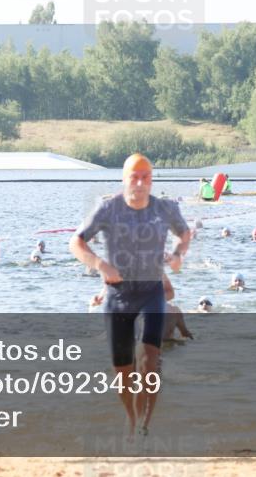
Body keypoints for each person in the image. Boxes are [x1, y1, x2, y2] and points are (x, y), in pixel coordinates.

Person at [70, 153, 193, 438]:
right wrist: (100, 264)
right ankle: (130, 417)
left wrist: (177, 254)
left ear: (151, 179)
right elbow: (75, 242)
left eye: (145, 177)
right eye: (134, 177)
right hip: (118, 294)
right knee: (122, 372)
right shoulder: (108, 208)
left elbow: (184, 233)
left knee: (150, 360)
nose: (139, 183)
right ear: (124, 179)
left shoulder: (165, 208)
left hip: (151, 290)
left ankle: (144, 424)